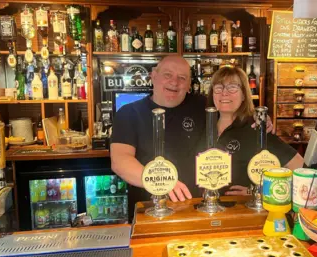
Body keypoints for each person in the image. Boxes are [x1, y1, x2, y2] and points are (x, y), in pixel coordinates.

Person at [111, 56, 274, 220]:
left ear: (189, 84)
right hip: (151, 210)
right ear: (153, 76)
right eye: (167, 75)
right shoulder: (129, 113)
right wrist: (162, 181)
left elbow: (232, 108)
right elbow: (120, 161)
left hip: (197, 209)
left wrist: (259, 118)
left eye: (182, 78)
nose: (174, 82)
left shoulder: (202, 105)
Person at [207, 66, 304, 196]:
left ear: (243, 95)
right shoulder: (205, 124)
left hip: (241, 211)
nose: (224, 93)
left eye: (232, 87)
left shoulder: (255, 127)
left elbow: (298, 165)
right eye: (219, 87)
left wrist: (259, 191)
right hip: (203, 209)